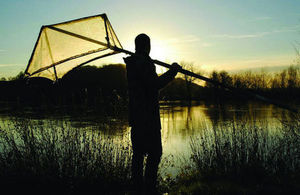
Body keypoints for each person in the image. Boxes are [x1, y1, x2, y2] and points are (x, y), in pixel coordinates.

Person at [124, 33, 181, 193]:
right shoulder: (142, 63)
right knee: (155, 154)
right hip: (148, 119)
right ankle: (149, 189)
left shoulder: (132, 63)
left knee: (138, 155)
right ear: (147, 46)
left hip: (136, 118)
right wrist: (172, 72)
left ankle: (138, 189)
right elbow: (154, 84)